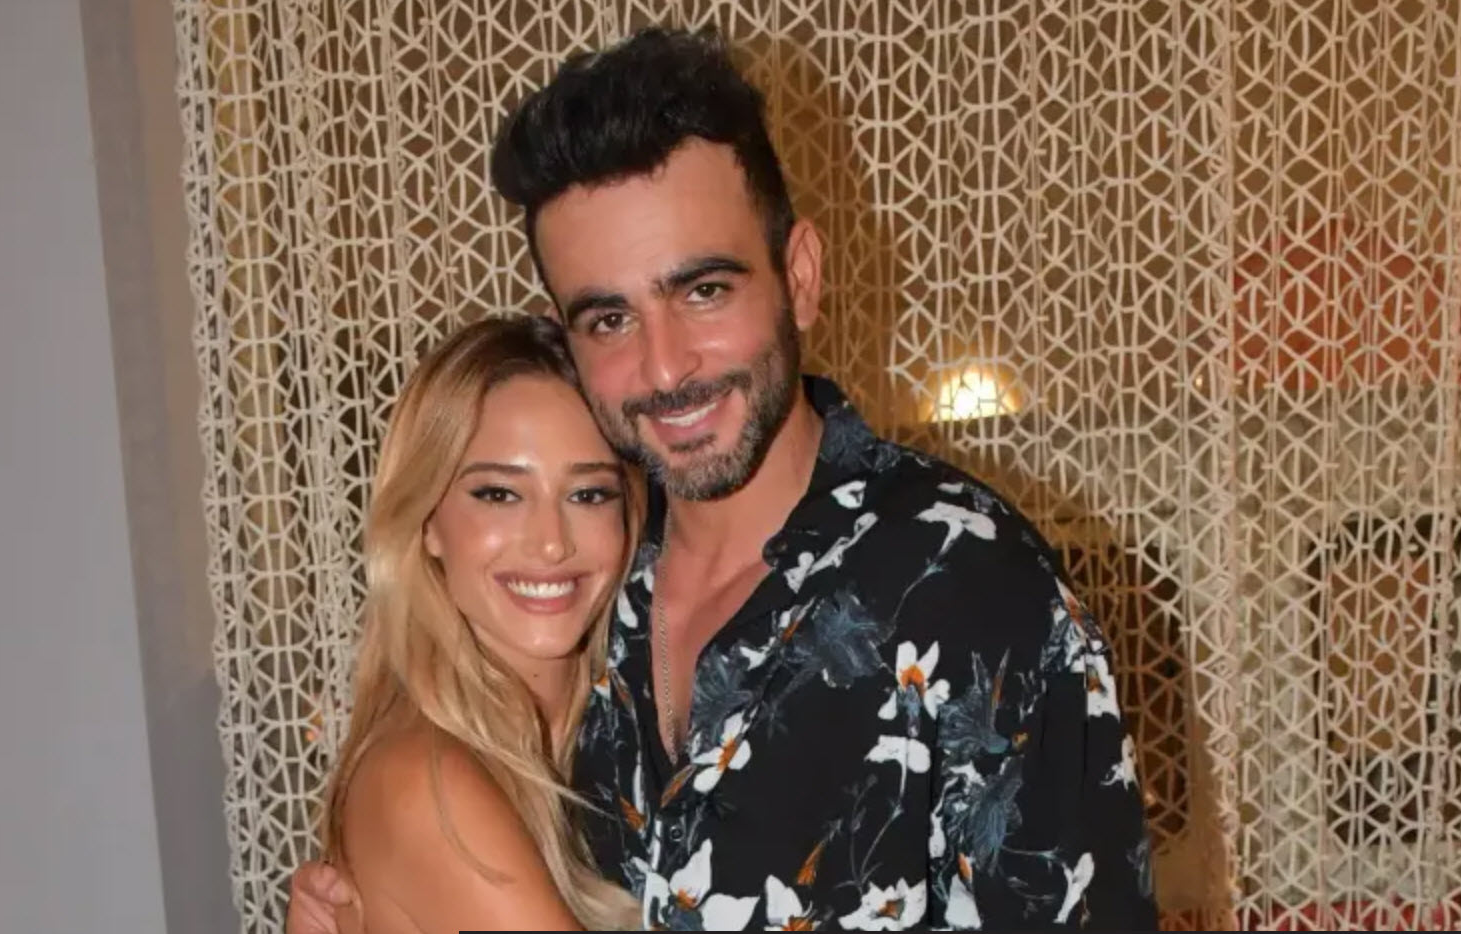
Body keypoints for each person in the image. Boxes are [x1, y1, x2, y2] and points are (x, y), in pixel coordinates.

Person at [291, 25, 1159, 931]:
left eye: (702, 291)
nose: (665, 367)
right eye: (609, 319)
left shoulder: (966, 584)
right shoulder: (578, 589)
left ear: (799, 277)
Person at [292, 315, 646, 932]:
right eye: (499, 494)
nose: (551, 543)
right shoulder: (427, 784)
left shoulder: (620, 738)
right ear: (427, 519)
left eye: (589, 494)